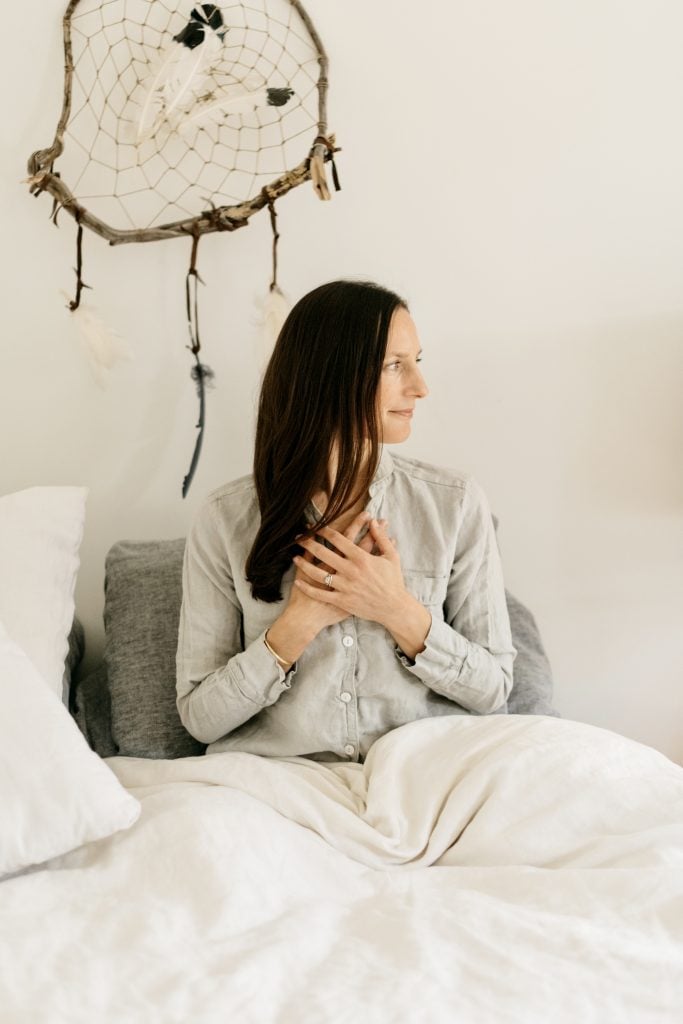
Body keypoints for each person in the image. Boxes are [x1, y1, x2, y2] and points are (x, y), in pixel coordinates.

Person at [176, 279, 516, 761]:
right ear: (331, 377)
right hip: (281, 788)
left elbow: (494, 690)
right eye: (395, 365)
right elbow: (200, 717)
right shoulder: (225, 518)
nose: (420, 387)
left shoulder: (454, 504)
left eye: (417, 362)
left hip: (421, 778)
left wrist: (396, 608)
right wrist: (297, 624)